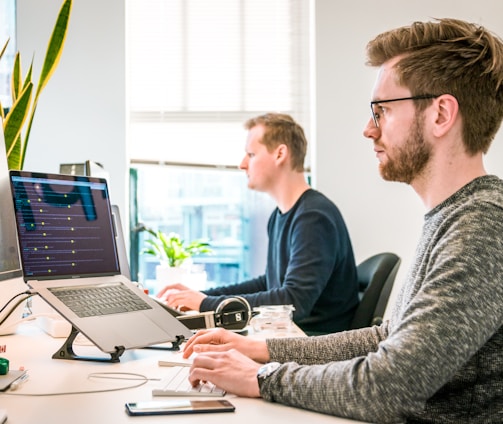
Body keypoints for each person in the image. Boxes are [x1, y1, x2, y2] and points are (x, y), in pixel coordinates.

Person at [179, 18, 503, 423]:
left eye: (382, 111)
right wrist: (261, 350)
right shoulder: (452, 216)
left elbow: (390, 386)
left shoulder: (483, 226)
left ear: (440, 114)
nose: (369, 129)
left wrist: (263, 377)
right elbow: (385, 338)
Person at [158, 112, 360, 335]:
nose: (242, 164)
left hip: (312, 344)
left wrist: (206, 304)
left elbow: (293, 303)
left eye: (251, 154)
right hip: (289, 336)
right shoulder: (281, 215)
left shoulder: (313, 218)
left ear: (280, 154)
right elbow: (269, 283)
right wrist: (203, 297)